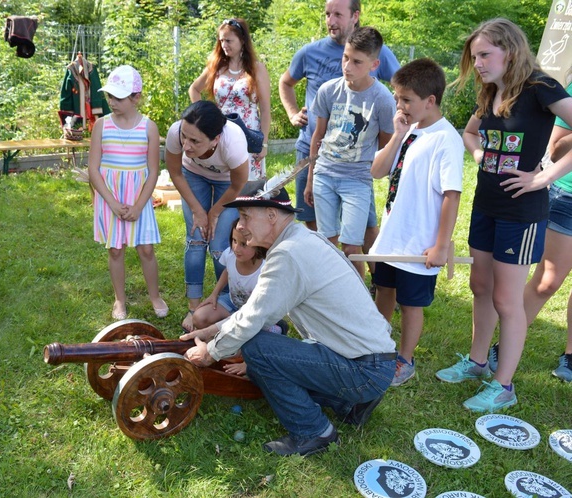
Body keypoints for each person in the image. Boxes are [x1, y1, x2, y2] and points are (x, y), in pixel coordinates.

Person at [181, 180, 397, 457]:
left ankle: (315, 432)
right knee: (260, 364)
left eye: (247, 216)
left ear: (272, 216)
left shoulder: (288, 254)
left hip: (365, 369)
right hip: (371, 362)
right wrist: (212, 329)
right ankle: (348, 404)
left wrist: (210, 353)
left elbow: (252, 320)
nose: (241, 224)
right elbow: (256, 309)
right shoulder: (299, 240)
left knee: (257, 348)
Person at [435, 19, 572, 412]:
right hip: (487, 205)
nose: (477, 63)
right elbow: (470, 133)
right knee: (480, 285)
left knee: (507, 300)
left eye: (484, 54)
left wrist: (543, 177)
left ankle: (504, 385)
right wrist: (479, 155)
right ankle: (477, 363)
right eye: (474, 56)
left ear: (509, 50)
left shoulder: (540, 87)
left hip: (522, 213)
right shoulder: (490, 91)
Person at [369, 59, 464, 386]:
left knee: (411, 304)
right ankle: (377, 346)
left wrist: (440, 245)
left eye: (406, 100)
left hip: (418, 244)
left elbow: (452, 195)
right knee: (384, 291)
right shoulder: (408, 131)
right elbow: (378, 172)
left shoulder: (446, 138)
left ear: (430, 101)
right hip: (392, 237)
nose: (400, 105)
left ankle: (404, 360)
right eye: (397, 98)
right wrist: (396, 135)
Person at [279, 0, 399, 237]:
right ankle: (326, 266)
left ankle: (376, 274)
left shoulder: (376, 50)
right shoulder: (309, 52)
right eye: (327, 14)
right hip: (314, 153)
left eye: (337, 15)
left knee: (363, 226)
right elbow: (285, 82)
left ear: (355, 15)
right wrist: (292, 113)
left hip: (356, 164)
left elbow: (403, 87)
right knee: (313, 221)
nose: (330, 21)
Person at [304, 26, 396, 279]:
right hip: (324, 174)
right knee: (327, 242)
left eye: (357, 62)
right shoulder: (328, 90)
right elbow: (318, 136)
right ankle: (332, 295)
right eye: (345, 57)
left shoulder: (383, 99)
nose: (347, 66)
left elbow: (386, 147)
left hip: (357, 179)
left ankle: (360, 301)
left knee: (352, 247)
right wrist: (311, 178)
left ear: (374, 64)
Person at [88, 65, 168, 320]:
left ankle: (154, 295)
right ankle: (119, 300)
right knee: (115, 250)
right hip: (110, 197)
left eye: (118, 97)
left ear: (136, 97)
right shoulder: (101, 126)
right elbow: (93, 168)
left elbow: (153, 171)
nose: (112, 102)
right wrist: (111, 203)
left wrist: (138, 206)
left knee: (145, 249)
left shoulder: (149, 128)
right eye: (110, 96)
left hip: (138, 200)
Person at [507, 82, 572, 383]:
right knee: (547, 282)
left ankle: (570, 357)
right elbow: (556, 150)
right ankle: (504, 346)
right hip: (568, 198)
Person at [165, 100, 249, 331]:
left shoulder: (233, 142)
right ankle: (194, 308)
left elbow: (239, 184)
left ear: (215, 139)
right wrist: (197, 210)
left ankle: (224, 303)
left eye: (195, 141)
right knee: (196, 238)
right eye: (184, 136)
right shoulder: (176, 131)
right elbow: (175, 172)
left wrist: (214, 212)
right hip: (192, 176)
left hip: (228, 185)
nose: (186, 145)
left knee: (220, 245)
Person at [191, 219, 285, 376]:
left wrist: (245, 363)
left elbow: (258, 312)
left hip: (254, 314)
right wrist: (214, 294)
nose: (236, 248)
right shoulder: (230, 254)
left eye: (243, 244)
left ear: (259, 244)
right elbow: (227, 271)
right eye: (234, 241)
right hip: (232, 302)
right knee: (199, 318)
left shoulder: (266, 270)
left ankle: (248, 359)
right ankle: (221, 342)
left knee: (249, 337)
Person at [189, 18, 271, 181]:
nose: (224, 45)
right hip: (222, 132)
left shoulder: (257, 68)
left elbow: (266, 109)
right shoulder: (217, 66)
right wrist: (203, 119)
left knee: (248, 187)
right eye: (221, 40)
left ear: (242, 40)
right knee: (224, 183)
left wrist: (264, 143)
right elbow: (194, 89)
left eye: (228, 40)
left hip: (248, 134)